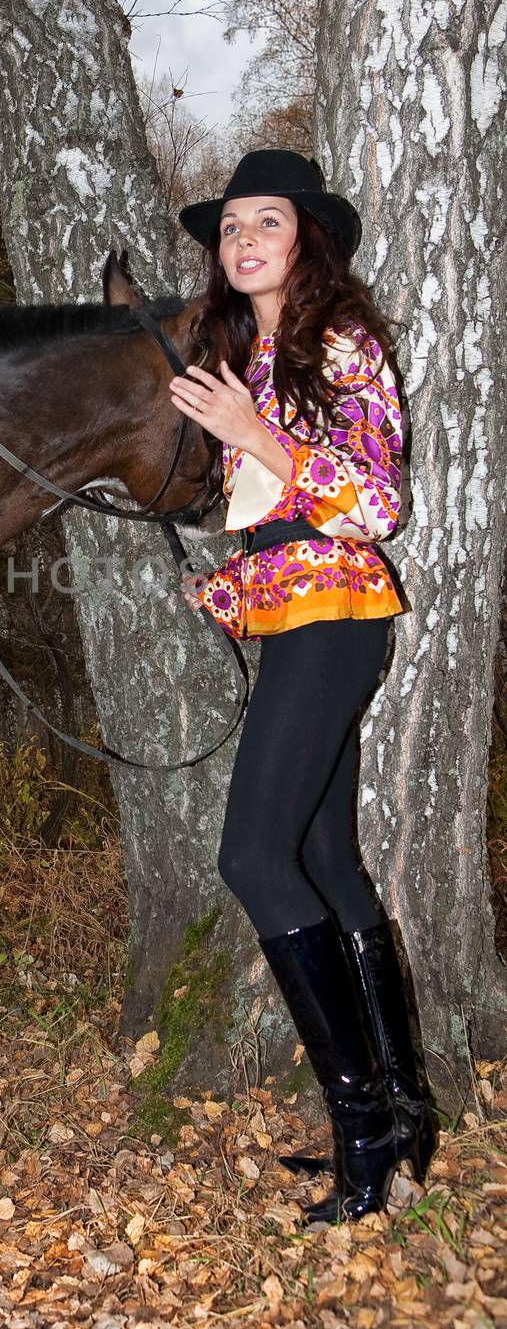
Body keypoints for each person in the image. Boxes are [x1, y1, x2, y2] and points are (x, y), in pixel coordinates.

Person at [169, 149, 437, 1224]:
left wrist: (251, 434)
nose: (240, 241)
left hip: (337, 620)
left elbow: (374, 504)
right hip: (299, 615)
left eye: (263, 223)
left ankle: (361, 1134)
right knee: (321, 857)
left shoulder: (340, 342)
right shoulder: (255, 348)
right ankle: (405, 1109)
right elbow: (286, 524)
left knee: (250, 855)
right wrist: (227, 587)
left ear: (305, 239)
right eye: (229, 226)